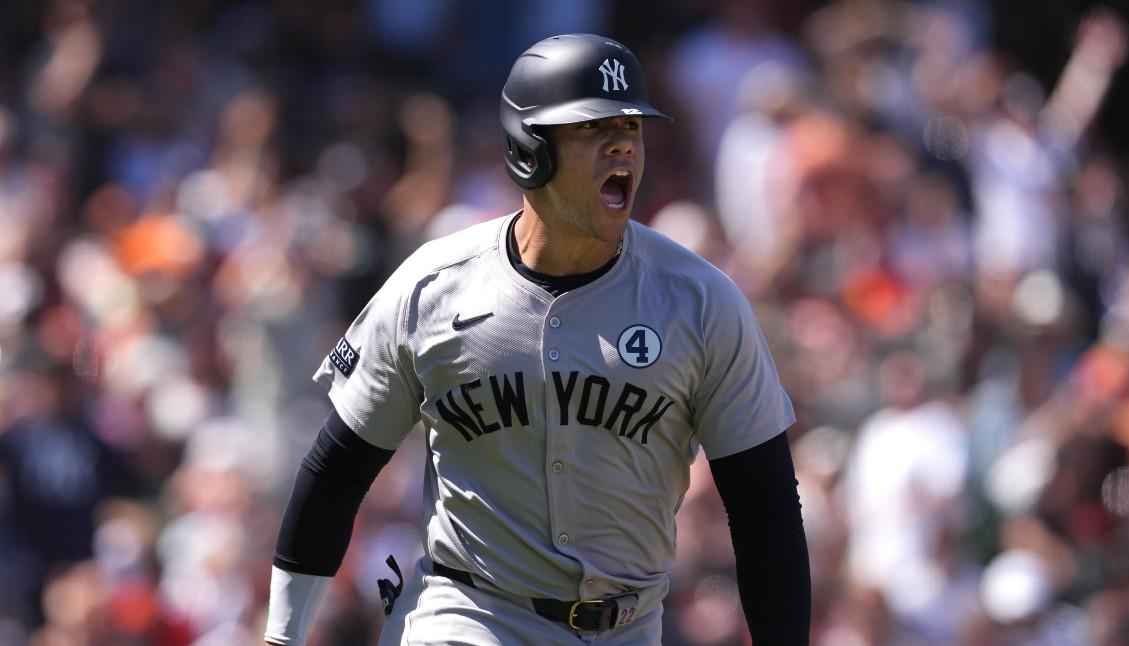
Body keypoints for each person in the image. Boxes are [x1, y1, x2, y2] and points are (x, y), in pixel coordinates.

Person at [264, 33, 810, 645]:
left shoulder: (701, 301)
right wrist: (282, 638)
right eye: (592, 127)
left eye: (632, 125)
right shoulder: (433, 286)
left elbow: (764, 509)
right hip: (467, 613)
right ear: (530, 149)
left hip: (627, 628)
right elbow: (337, 470)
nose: (622, 144)